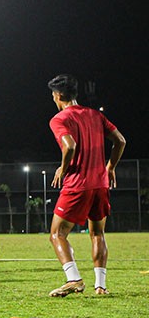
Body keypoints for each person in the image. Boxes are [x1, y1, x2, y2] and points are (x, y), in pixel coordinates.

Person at [46, 74, 125, 297]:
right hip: (100, 184)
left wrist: (63, 168)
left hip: (77, 185)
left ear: (58, 95)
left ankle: (74, 280)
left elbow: (69, 146)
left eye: (53, 95)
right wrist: (110, 167)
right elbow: (120, 141)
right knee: (97, 234)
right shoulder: (96, 115)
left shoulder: (59, 119)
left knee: (57, 234)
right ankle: (100, 286)